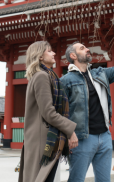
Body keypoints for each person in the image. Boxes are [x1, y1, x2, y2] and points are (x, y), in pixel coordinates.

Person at [61, 30, 114, 182]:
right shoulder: (66, 81)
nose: (87, 49)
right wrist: (69, 134)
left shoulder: (100, 74)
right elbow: (61, 112)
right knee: (76, 179)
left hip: (105, 136)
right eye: (82, 48)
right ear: (73, 56)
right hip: (82, 138)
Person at [18, 41, 78, 182]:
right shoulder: (42, 76)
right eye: (49, 51)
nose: (54, 53)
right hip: (43, 141)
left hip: (41, 138)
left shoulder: (45, 75)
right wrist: (70, 130)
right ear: (40, 56)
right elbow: (49, 113)